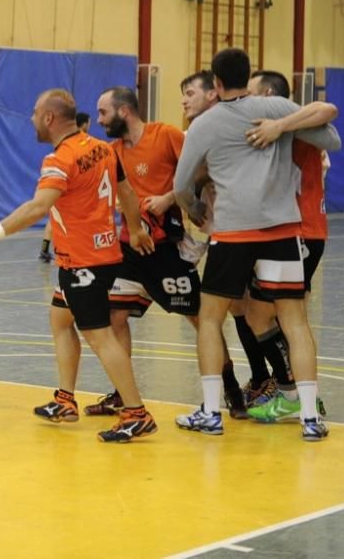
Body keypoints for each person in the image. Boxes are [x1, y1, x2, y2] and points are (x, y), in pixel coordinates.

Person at [0, 88, 159, 443]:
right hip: (92, 256)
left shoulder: (59, 160)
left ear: (49, 118)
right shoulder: (102, 149)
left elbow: (39, 207)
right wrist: (136, 229)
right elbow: (127, 193)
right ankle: (65, 400)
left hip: (85, 262)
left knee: (99, 336)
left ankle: (136, 413)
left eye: (35, 112)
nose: (32, 118)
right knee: (60, 319)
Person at [173, 48, 340, 441]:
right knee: (295, 322)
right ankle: (310, 419)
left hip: (232, 233)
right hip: (283, 230)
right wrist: (284, 124)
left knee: (211, 319)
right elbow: (331, 134)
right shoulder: (277, 106)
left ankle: (212, 412)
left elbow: (181, 184)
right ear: (248, 76)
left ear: (215, 85)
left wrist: (195, 208)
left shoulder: (205, 123)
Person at [90, 87, 246, 418]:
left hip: (165, 249)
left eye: (104, 113)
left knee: (201, 320)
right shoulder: (112, 151)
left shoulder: (165, 135)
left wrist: (170, 197)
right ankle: (123, 393)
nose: (99, 120)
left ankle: (232, 389)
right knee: (115, 317)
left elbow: (200, 169)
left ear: (124, 112)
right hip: (129, 248)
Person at [243, 70, 331, 422]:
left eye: (251, 92)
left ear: (267, 94)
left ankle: (293, 393)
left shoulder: (297, 125)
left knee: (268, 314)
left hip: (300, 231)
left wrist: (280, 126)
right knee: (276, 314)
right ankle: (301, 395)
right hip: (291, 231)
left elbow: (328, 110)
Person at [39, 112, 90, 263]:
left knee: (54, 216)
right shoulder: (81, 143)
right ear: (85, 124)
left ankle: (44, 249)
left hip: (61, 178)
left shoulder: (66, 145)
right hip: (68, 181)